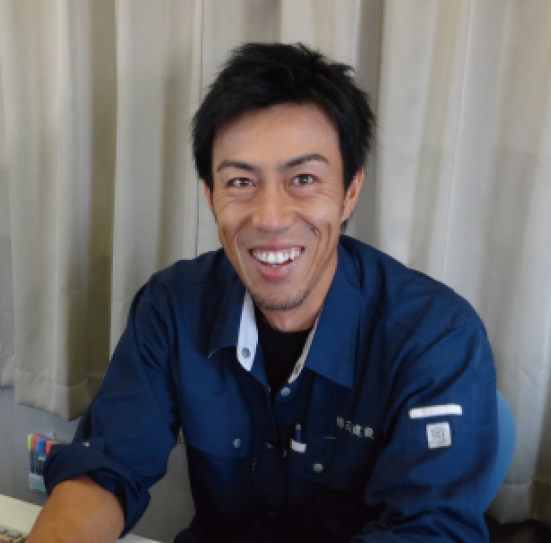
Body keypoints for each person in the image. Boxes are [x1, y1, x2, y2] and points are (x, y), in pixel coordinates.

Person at [28, 43, 498, 543]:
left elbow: (427, 530)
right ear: (211, 198)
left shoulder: (436, 339)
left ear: (350, 191)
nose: (271, 218)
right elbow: (105, 469)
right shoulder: (172, 307)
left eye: (303, 178)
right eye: (241, 182)